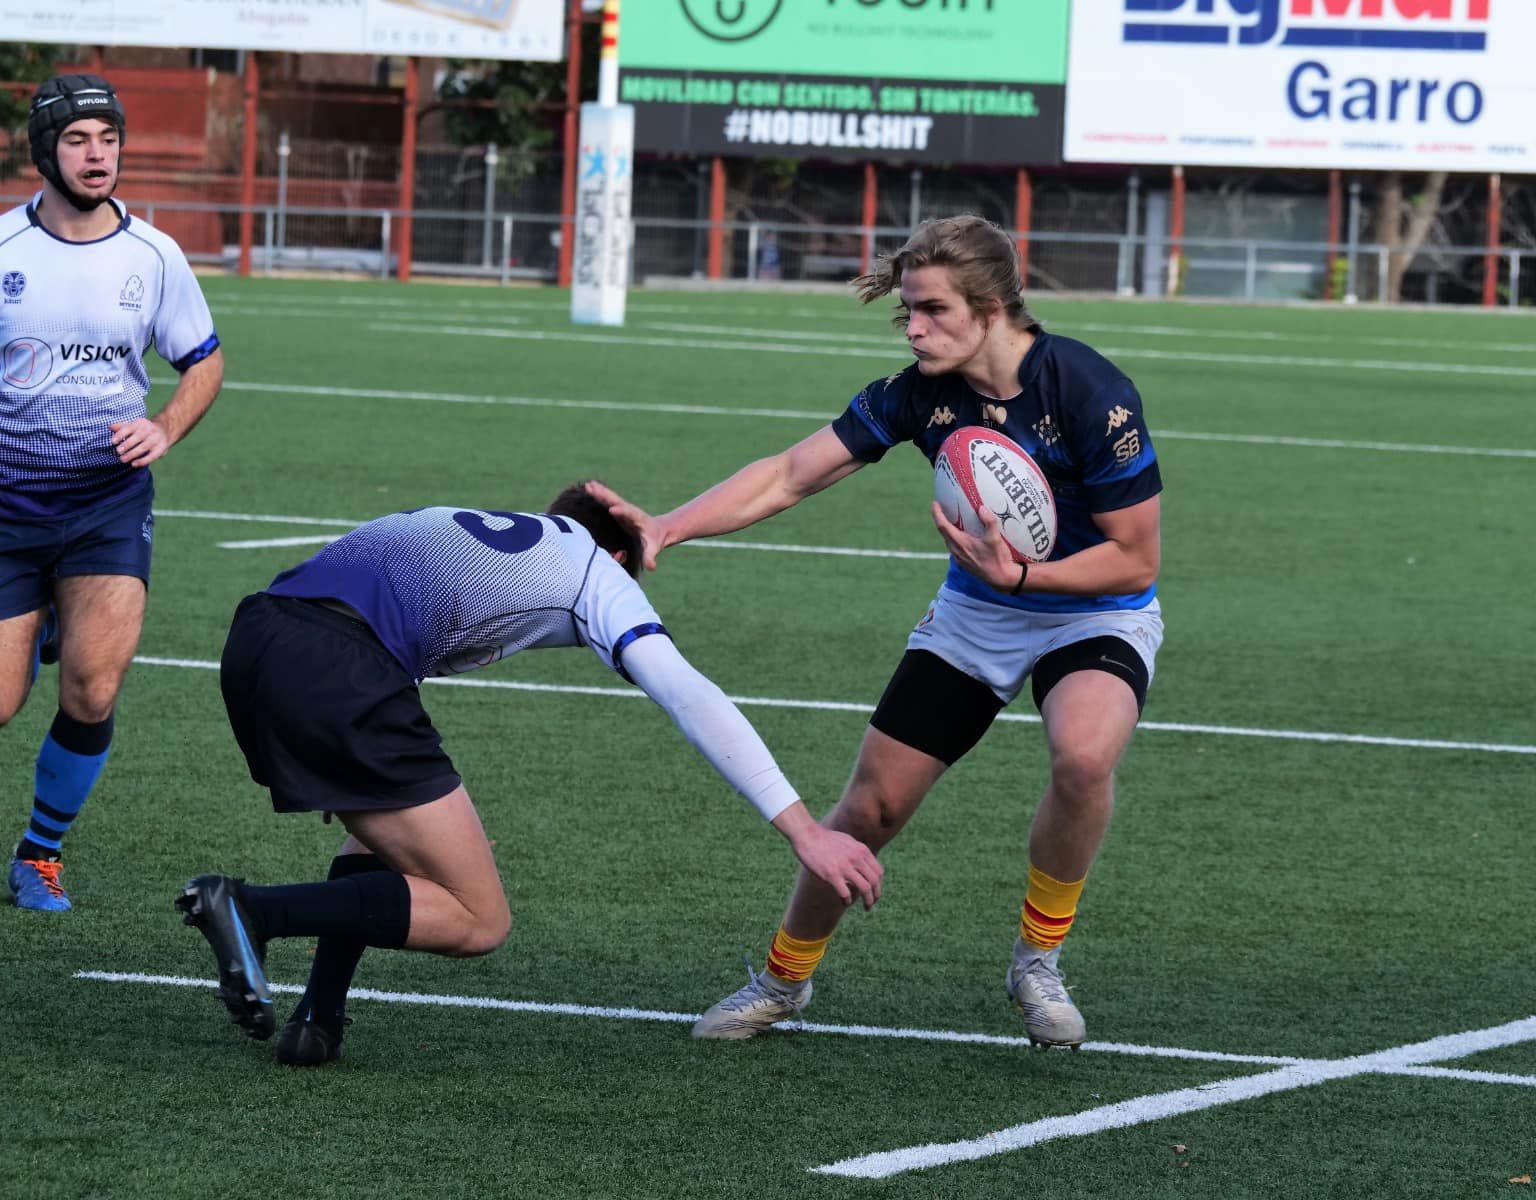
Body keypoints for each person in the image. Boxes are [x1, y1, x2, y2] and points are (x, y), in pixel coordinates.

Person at [591, 214, 1163, 1048]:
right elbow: (789, 474)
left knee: (1083, 755)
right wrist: (666, 528)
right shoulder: (916, 391)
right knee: (871, 805)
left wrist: (1027, 576)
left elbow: (1135, 561)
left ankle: (1037, 962)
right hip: (976, 614)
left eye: (931, 310)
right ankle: (784, 979)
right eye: (907, 312)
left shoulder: (1089, 390)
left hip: (1094, 611)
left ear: (993, 305)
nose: (915, 328)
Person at [176, 485, 883, 1067]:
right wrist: (803, 831)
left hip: (260, 639)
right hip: (342, 671)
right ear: (615, 553)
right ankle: (255, 910)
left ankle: (317, 1021)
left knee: (391, 842)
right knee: (479, 919)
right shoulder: (595, 571)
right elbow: (687, 691)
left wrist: (323, 723)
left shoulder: (469, 523)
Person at [1, 74, 224, 912]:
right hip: (8, 506)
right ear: (44, 154)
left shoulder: (154, 254)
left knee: (94, 687)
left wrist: (165, 426)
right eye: (78, 141)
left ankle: (39, 856)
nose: (98, 156)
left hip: (105, 503)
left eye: (108, 139)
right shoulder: (6, 253)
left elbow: (203, 360)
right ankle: (44, 609)